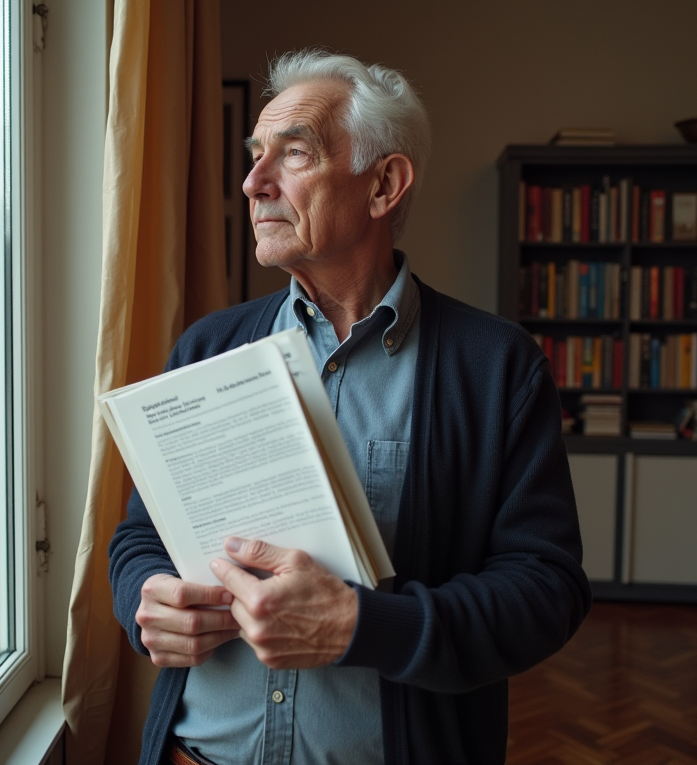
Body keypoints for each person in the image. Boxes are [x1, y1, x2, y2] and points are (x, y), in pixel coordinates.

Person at [109, 50, 591, 765]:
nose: (252, 182)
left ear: (384, 185)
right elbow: (141, 536)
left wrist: (363, 627)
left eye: (292, 153)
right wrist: (144, 597)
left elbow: (546, 591)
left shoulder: (496, 367)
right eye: (254, 156)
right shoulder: (208, 346)